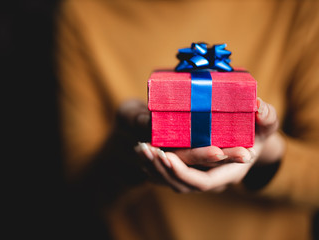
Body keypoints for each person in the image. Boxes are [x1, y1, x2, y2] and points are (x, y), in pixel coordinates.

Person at [55, 0, 319, 239]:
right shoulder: (84, 11)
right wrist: (126, 153)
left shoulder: (297, 6)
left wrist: (269, 154)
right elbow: (79, 198)